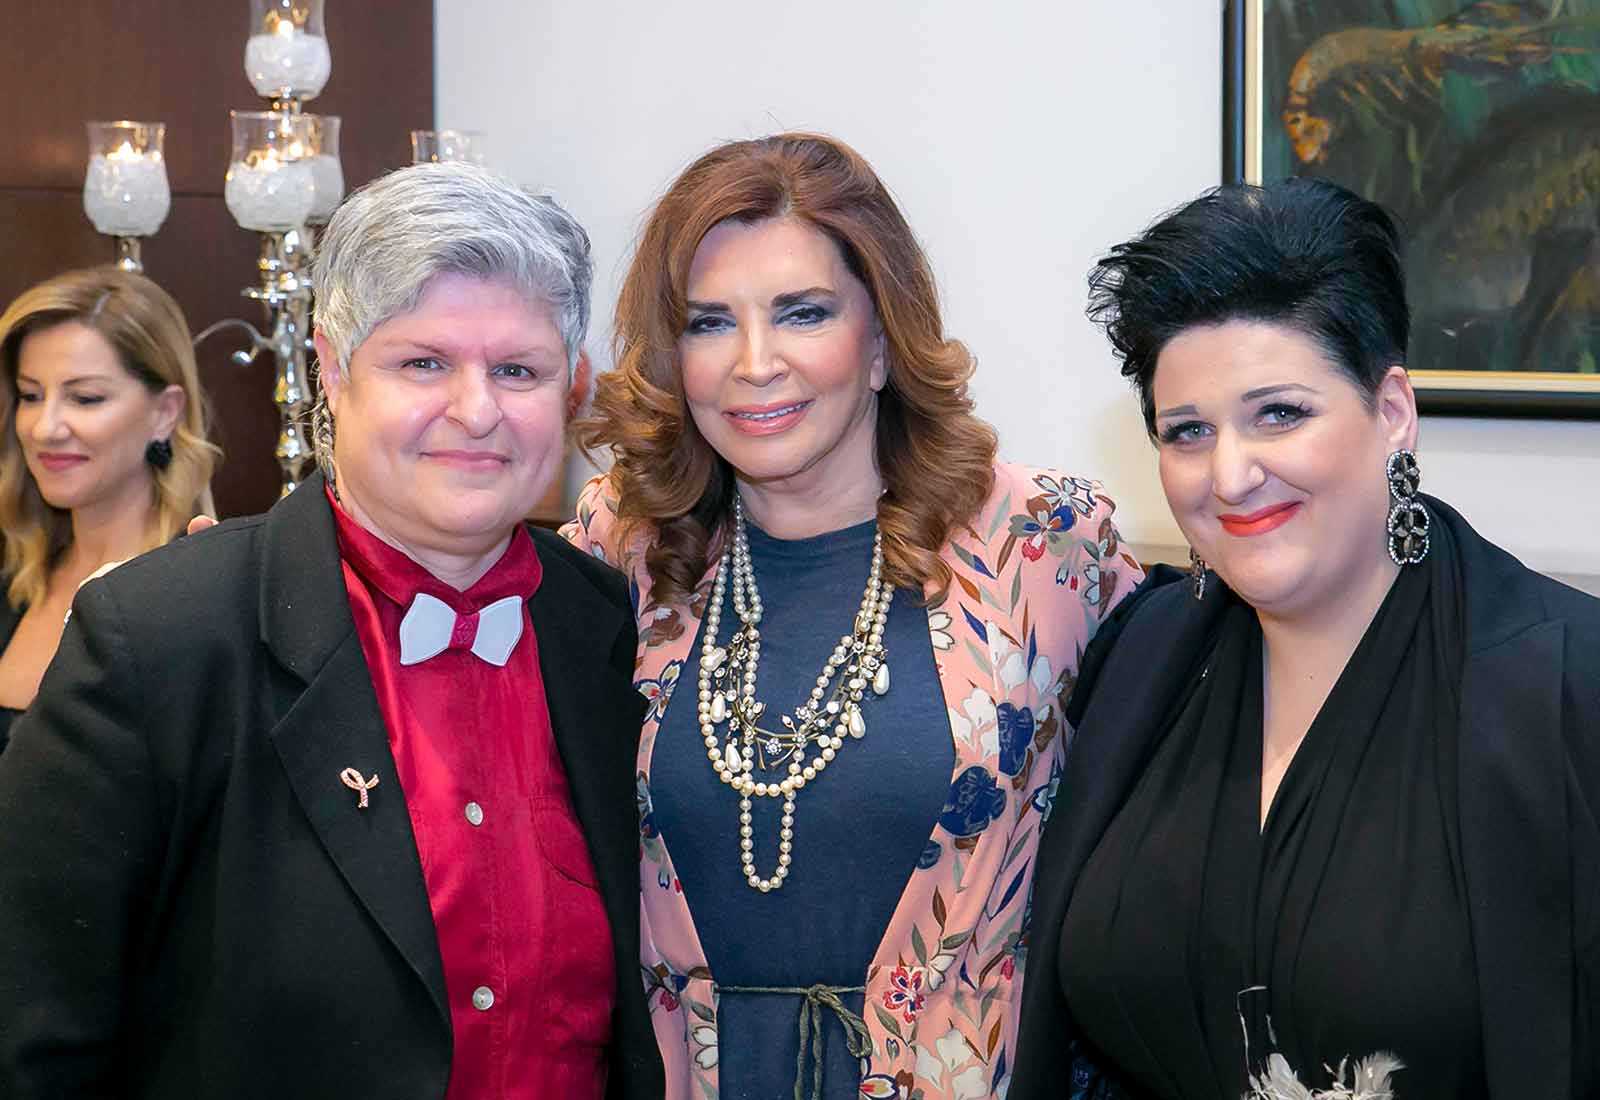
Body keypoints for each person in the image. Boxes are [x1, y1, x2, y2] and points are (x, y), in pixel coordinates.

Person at [0, 164, 663, 1099]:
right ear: (333, 370)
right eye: (423, 363)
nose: (476, 411)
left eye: (518, 370)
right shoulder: (161, 640)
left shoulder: (613, 631)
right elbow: (36, 1040)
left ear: (572, 389)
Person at [561, 132, 1141, 1100]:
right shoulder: (623, 547)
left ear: (879, 340)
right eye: (709, 323)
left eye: (803, 312)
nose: (755, 363)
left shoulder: (1048, 543)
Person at [1011, 178, 1600, 1100]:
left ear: (1391, 411)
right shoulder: (1140, 662)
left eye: (1278, 414)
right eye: (1187, 432)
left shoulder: (1569, 687)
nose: (1230, 474)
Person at [0, 266, 217, 751]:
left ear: (165, 413)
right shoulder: (14, 576)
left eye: (85, 398)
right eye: (30, 396)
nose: (44, 428)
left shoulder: (203, 593)